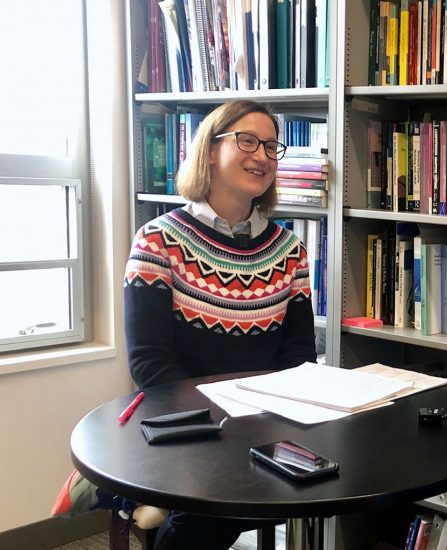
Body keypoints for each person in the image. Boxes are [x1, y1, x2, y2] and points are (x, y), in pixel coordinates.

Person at [124, 99, 316, 549]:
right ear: (209, 150)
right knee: (219, 505)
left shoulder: (290, 250)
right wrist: (218, 428)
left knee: (312, 480)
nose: (263, 155)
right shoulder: (158, 240)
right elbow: (149, 364)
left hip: (262, 425)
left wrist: (261, 424)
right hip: (181, 425)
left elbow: (298, 359)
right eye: (247, 140)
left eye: (272, 146)